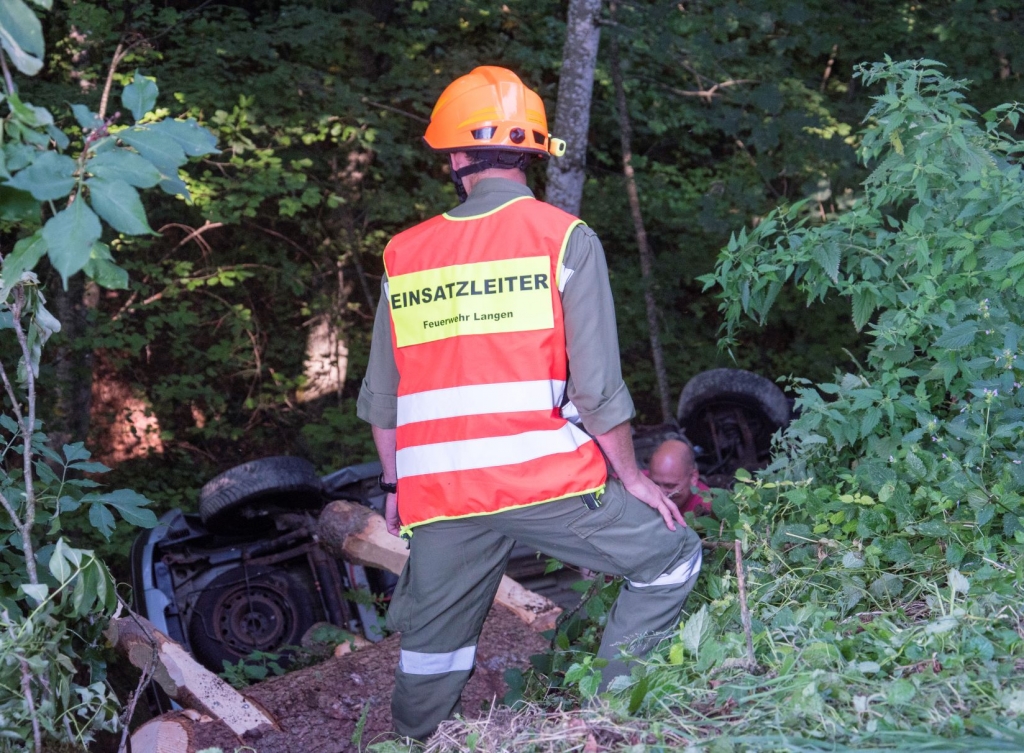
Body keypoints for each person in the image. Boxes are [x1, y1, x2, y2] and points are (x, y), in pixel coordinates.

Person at [356, 66, 703, 741]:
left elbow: (383, 397)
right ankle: (609, 719)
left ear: (454, 158)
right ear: (534, 154)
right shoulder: (563, 238)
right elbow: (597, 389)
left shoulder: (405, 254)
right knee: (672, 557)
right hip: (542, 480)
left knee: (431, 650)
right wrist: (633, 478)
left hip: (440, 489)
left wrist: (395, 484)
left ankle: (414, 743)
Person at [648, 439, 712, 516]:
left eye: (670, 486)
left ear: (693, 478)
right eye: (655, 484)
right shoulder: (639, 483)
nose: (661, 493)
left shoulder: (708, 509)